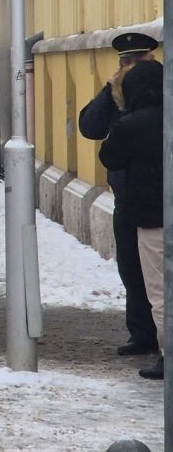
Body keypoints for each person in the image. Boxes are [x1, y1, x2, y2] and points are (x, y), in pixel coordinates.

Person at [80, 31, 162, 362]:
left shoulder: (159, 89)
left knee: (158, 276)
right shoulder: (117, 95)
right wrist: (108, 90)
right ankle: (142, 333)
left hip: (157, 200)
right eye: (125, 61)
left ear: (151, 59)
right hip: (127, 198)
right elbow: (90, 127)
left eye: (137, 60)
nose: (130, 66)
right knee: (131, 269)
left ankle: (162, 340)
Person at [98, 58, 165, 380]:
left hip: (150, 217)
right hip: (149, 211)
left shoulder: (131, 124)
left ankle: (167, 355)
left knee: (159, 291)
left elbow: (109, 156)